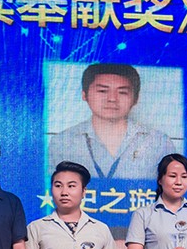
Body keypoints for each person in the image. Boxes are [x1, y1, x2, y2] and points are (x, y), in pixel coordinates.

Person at [47, 63, 175, 180]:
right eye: (103, 91)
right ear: (84, 95)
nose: (112, 99)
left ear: (136, 98)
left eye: (122, 92)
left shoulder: (159, 142)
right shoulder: (62, 142)